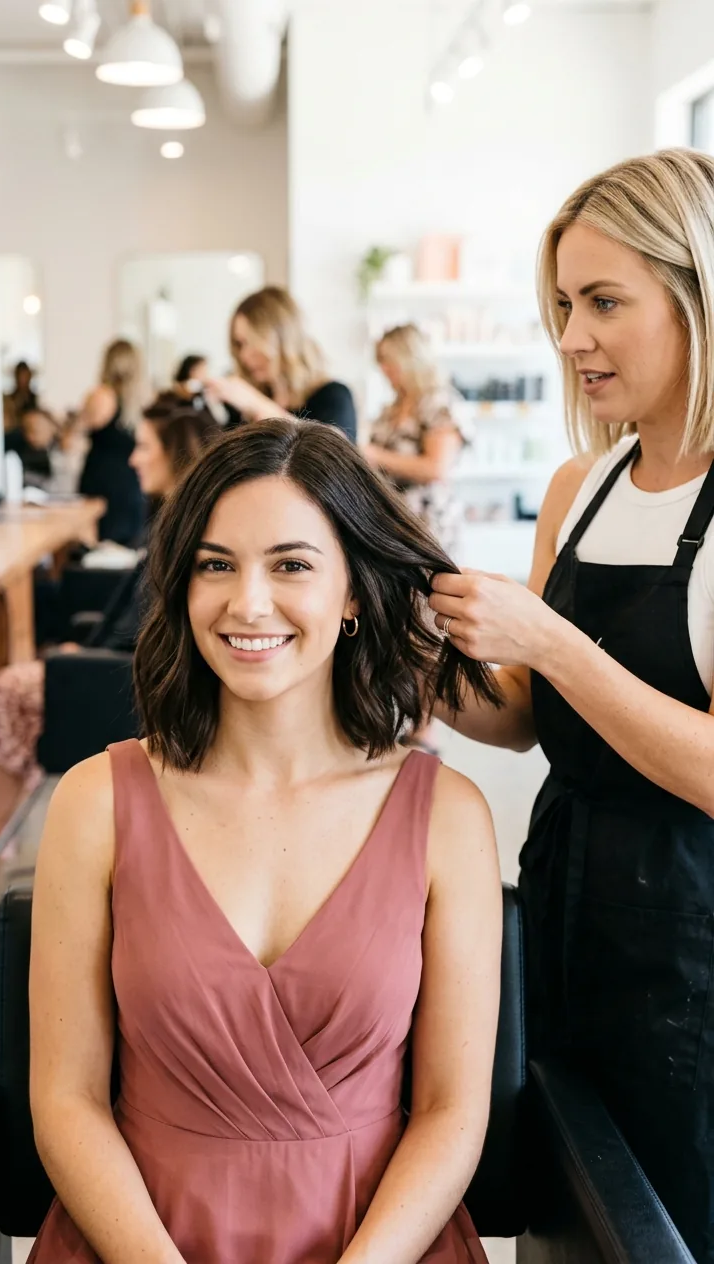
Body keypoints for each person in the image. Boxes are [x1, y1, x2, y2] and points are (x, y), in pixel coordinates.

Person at [27, 418, 501, 1264]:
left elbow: (450, 1113)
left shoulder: (448, 819)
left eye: (291, 565)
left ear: (353, 591)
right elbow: (66, 1100)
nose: (247, 603)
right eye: (216, 565)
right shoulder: (96, 801)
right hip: (140, 1240)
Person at [428, 149, 714, 1262]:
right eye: (559, 305)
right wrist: (421, 655)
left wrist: (549, 638)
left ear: (694, 292)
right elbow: (526, 717)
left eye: (602, 302)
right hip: (564, 900)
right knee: (567, 1213)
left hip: (691, 944)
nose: (569, 337)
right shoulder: (577, 487)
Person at [0, 406, 219, 870]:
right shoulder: (173, 520)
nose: (132, 460)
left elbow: (156, 632)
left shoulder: (186, 535)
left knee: (7, 690)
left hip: (123, 686)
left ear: (176, 454)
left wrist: (84, 655)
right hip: (107, 663)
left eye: (144, 448)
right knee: (28, 668)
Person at [364, 324, 468, 557]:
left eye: (389, 361)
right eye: (380, 361)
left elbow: (436, 467)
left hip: (428, 522)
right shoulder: (392, 408)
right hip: (392, 520)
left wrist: (375, 455)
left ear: (410, 358)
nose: (383, 368)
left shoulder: (439, 403)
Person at [208, 286, 358, 442]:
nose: (244, 355)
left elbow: (334, 451)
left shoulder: (333, 396)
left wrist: (255, 403)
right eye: (239, 344)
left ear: (282, 340)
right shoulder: (244, 407)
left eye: (251, 342)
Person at [78, 339, 146, 545]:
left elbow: (70, 440)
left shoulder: (101, 396)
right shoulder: (142, 400)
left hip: (103, 488)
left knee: (101, 554)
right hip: (131, 487)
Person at [3, 404, 58, 488]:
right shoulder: (19, 451)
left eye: (35, 430)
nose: (30, 436)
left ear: (52, 427)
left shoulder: (63, 452)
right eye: (26, 430)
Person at [3, 360, 38, 433]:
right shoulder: (9, 399)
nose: (23, 379)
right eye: (20, 376)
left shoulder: (35, 398)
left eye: (25, 376)